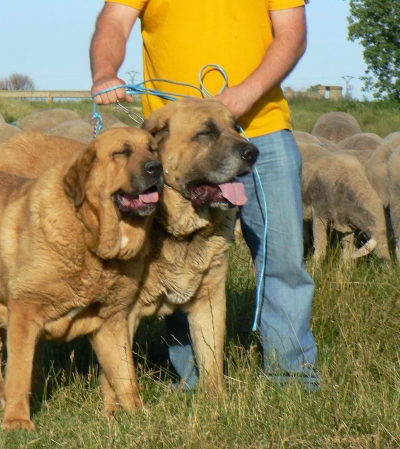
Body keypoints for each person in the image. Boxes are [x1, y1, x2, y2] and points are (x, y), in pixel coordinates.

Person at [89, 0, 319, 390]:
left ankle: (291, 376)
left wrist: (246, 94)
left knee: (283, 259)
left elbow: (292, 34)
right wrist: (105, 72)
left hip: (260, 127)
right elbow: (114, 20)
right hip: (175, 141)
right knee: (169, 259)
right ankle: (192, 378)